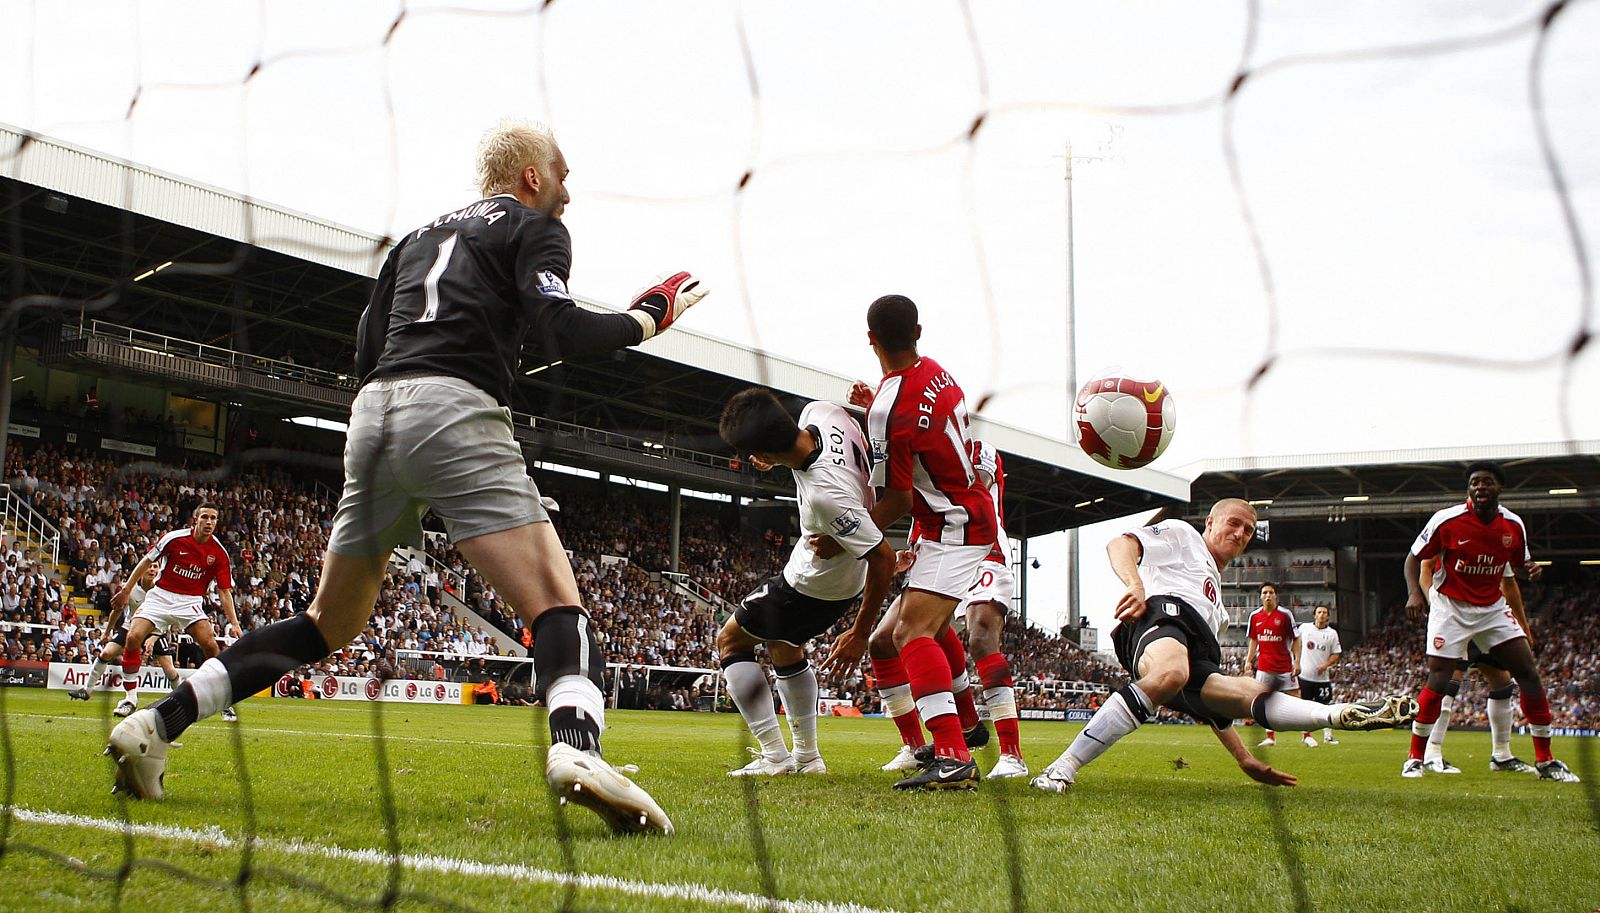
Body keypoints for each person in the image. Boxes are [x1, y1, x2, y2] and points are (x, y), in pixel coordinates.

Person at [108, 119, 709, 833]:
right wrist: (647, 316)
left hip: (373, 411)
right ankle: (576, 748)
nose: (568, 194)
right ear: (530, 176)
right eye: (564, 176)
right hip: (453, 403)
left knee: (326, 621)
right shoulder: (532, 225)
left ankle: (157, 723)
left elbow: (367, 345)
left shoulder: (415, 240)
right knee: (558, 608)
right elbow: (560, 330)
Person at [1030, 500, 1416, 792]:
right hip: (1160, 616)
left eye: (1248, 530)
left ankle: (1336, 715)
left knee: (1242, 691)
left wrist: (1244, 758)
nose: (1240, 533)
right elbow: (1120, 544)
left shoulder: (1218, 607)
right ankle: (1060, 769)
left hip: (1194, 638)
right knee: (1172, 671)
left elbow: (1213, 713)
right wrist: (1134, 584)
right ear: (1210, 523)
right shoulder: (1183, 536)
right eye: (1234, 523)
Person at [816, 294, 1001, 791]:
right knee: (899, 637)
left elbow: (897, 499)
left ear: (870, 338)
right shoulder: (940, 372)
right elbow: (915, 415)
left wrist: (843, 533)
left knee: (911, 635)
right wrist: (875, 400)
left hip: (953, 526)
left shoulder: (885, 411)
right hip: (962, 515)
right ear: (918, 332)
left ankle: (954, 756)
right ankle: (964, 725)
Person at [715, 389, 896, 777]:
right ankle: (807, 758)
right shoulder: (826, 412)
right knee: (784, 646)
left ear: (762, 454)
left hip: (813, 585)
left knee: (730, 640)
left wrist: (860, 633)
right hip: (832, 581)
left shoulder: (825, 495)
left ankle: (775, 755)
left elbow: (883, 558)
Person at [1400, 462, 1576, 781]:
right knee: (1440, 679)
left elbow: (1517, 567)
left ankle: (1545, 760)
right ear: (1468, 489)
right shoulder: (1447, 520)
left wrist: (1531, 570)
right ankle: (1416, 757)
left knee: (1526, 672)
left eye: (1487, 482)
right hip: (1451, 608)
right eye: (1474, 483)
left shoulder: (1512, 524)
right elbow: (1414, 558)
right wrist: (1415, 594)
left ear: (1499, 488)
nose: (1480, 487)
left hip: (1492, 608)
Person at [108, 504, 241, 723]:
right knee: (133, 637)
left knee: (210, 645)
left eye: (214, 518)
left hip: (190, 602)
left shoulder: (219, 553)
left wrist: (234, 622)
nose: (209, 522)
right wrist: (126, 590)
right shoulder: (174, 538)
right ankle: (129, 698)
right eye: (205, 517)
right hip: (161, 596)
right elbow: (147, 561)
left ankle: (225, 702)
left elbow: (224, 591)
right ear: (195, 520)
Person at [1414, 558, 1537, 775]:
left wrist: (1522, 624)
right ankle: (1431, 753)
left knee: (1501, 680)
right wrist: (1436, 606)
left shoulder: (1501, 534)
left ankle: (1501, 754)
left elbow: (1509, 583)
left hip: (1489, 616)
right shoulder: (1452, 527)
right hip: (1457, 614)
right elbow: (1425, 565)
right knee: (1450, 679)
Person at [950, 439, 1026, 779]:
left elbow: (973, 490)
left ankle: (1011, 755)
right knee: (916, 636)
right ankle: (968, 726)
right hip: (942, 555)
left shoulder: (979, 447)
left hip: (984, 550)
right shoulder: (919, 445)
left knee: (980, 637)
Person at [67, 566, 183, 706]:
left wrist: (154, 638)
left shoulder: (161, 591)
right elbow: (117, 610)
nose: (152, 569)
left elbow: (168, 617)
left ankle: (182, 700)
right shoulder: (130, 588)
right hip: (131, 627)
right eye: (149, 566)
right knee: (106, 653)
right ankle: (87, 690)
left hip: (155, 630)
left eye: (155, 567)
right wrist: (107, 632)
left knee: (170, 670)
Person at [1244, 583, 1312, 748]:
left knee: (1297, 699)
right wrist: (1248, 660)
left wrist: (1297, 661)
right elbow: (1254, 639)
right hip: (1264, 667)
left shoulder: (1284, 615)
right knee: (1264, 701)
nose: (1268, 595)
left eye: (1271, 592)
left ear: (1276, 596)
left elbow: (1296, 638)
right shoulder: (1254, 616)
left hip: (1284, 666)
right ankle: (1270, 737)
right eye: (1265, 593)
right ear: (1260, 596)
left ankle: (1307, 735)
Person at [1294, 605, 1343, 745]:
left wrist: (1326, 665)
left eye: (1324, 613)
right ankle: (1306, 736)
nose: (1322, 615)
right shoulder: (1304, 628)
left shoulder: (1332, 633)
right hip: (1305, 676)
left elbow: (1336, 654)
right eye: (1319, 612)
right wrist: (1295, 661)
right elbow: (1295, 643)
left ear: (1328, 616)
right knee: (1304, 707)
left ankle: (1328, 736)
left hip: (1323, 678)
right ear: (1314, 615)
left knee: (1325, 707)